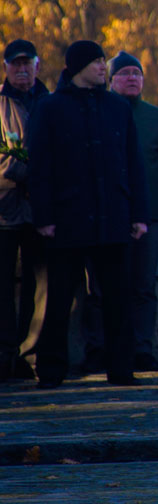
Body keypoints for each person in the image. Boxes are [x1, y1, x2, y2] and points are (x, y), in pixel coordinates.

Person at [25, 40, 148, 388]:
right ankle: (50, 370)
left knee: (118, 300)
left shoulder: (117, 108)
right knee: (58, 299)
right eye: (96, 62)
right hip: (67, 219)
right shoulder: (51, 108)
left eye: (102, 61)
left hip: (112, 219)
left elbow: (133, 165)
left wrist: (138, 214)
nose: (101, 68)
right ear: (77, 67)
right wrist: (44, 216)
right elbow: (41, 167)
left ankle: (121, 371)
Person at [81, 51, 158, 373]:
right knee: (97, 289)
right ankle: (98, 350)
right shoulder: (95, 111)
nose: (132, 78)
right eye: (124, 73)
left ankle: (142, 349)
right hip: (102, 216)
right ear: (110, 79)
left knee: (143, 287)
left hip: (149, 215)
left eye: (137, 73)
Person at [0, 39, 49, 380]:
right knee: (3, 287)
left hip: (42, 212)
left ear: (37, 65)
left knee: (39, 286)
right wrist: (22, 169)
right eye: (14, 64)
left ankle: (31, 354)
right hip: (4, 211)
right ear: (6, 68)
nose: (21, 70)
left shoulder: (51, 103)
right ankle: (4, 356)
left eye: (26, 63)